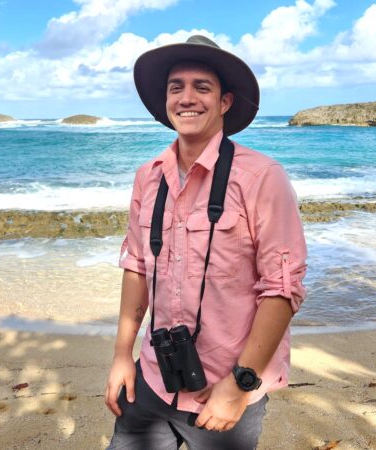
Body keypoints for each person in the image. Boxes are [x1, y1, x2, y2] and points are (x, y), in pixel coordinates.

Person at [104, 35, 308, 450]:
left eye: (202, 87)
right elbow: (138, 266)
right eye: (175, 86)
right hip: (153, 379)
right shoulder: (148, 175)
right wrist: (122, 355)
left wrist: (240, 384)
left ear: (225, 102)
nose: (186, 97)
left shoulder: (261, 177)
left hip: (226, 387)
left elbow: (282, 289)